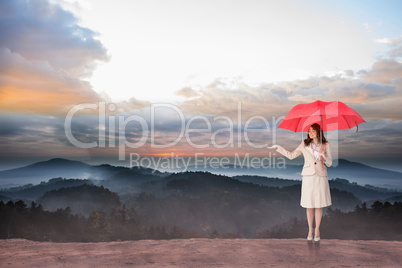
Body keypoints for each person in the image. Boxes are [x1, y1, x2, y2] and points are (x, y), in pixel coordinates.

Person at [267, 123, 332, 242]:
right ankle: (310, 229)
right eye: (309, 130)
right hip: (308, 176)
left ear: (318, 132)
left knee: (318, 205)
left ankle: (317, 229)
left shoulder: (326, 145)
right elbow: (291, 155)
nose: (310, 133)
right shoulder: (304, 144)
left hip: (320, 176)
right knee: (309, 205)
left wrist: (324, 156)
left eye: (313, 131)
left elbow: (330, 163)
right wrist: (279, 148)